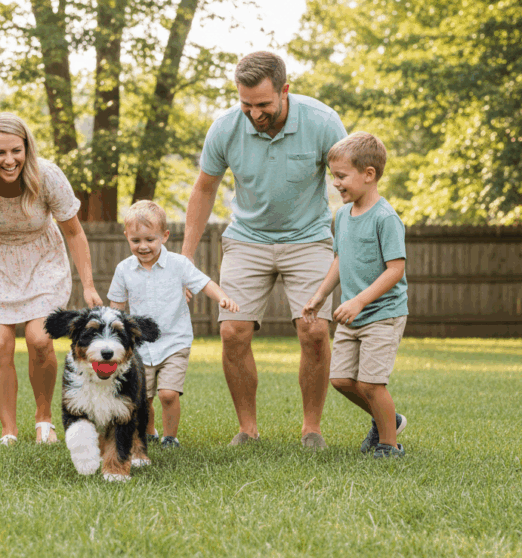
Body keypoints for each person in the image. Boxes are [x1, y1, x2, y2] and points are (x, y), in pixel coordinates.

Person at [181, 51, 348, 449]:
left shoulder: (323, 122)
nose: (254, 114)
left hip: (308, 238)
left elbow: (349, 181)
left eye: (263, 105)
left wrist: (353, 242)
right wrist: (185, 257)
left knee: (314, 331)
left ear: (285, 90)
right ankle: (248, 429)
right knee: (232, 332)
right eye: (246, 104)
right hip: (247, 239)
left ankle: (312, 429)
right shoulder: (225, 128)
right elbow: (204, 189)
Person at [0, 112, 103, 446]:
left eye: (17, 150)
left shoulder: (47, 177)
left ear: (27, 147)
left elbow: (74, 233)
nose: (9, 160)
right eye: (0, 152)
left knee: (40, 340)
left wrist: (88, 284)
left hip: (43, 259)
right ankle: (8, 430)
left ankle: (43, 420)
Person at [302, 132, 408, 458]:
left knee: (372, 385)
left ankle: (389, 445)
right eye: (333, 176)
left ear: (369, 174)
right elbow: (340, 259)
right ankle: (387, 419)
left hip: (382, 313)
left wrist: (360, 299)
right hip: (352, 314)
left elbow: (395, 269)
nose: (335, 183)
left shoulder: (385, 218)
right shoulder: (342, 216)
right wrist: (321, 295)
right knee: (342, 379)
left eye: (341, 176)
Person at [108, 201, 239, 449]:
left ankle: (170, 436)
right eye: (136, 241)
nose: (143, 246)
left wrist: (222, 296)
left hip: (174, 341)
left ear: (164, 236)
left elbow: (204, 282)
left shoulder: (178, 265)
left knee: (168, 394)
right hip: (140, 346)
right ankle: (149, 432)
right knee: (143, 397)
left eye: (150, 239)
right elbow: (116, 307)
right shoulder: (123, 269)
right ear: (127, 237)